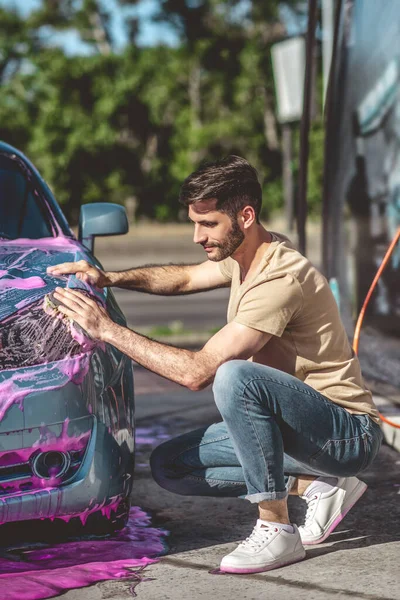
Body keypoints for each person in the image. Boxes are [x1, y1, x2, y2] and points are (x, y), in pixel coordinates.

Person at [48, 155, 383, 574]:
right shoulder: (245, 251)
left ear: (245, 216)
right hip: (300, 429)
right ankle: (319, 486)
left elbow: (197, 372)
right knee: (171, 466)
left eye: (208, 224)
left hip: (345, 433)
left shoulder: (280, 278)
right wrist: (109, 277)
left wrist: (107, 329)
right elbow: (186, 278)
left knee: (234, 376)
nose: (196, 236)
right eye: (194, 222)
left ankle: (277, 529)